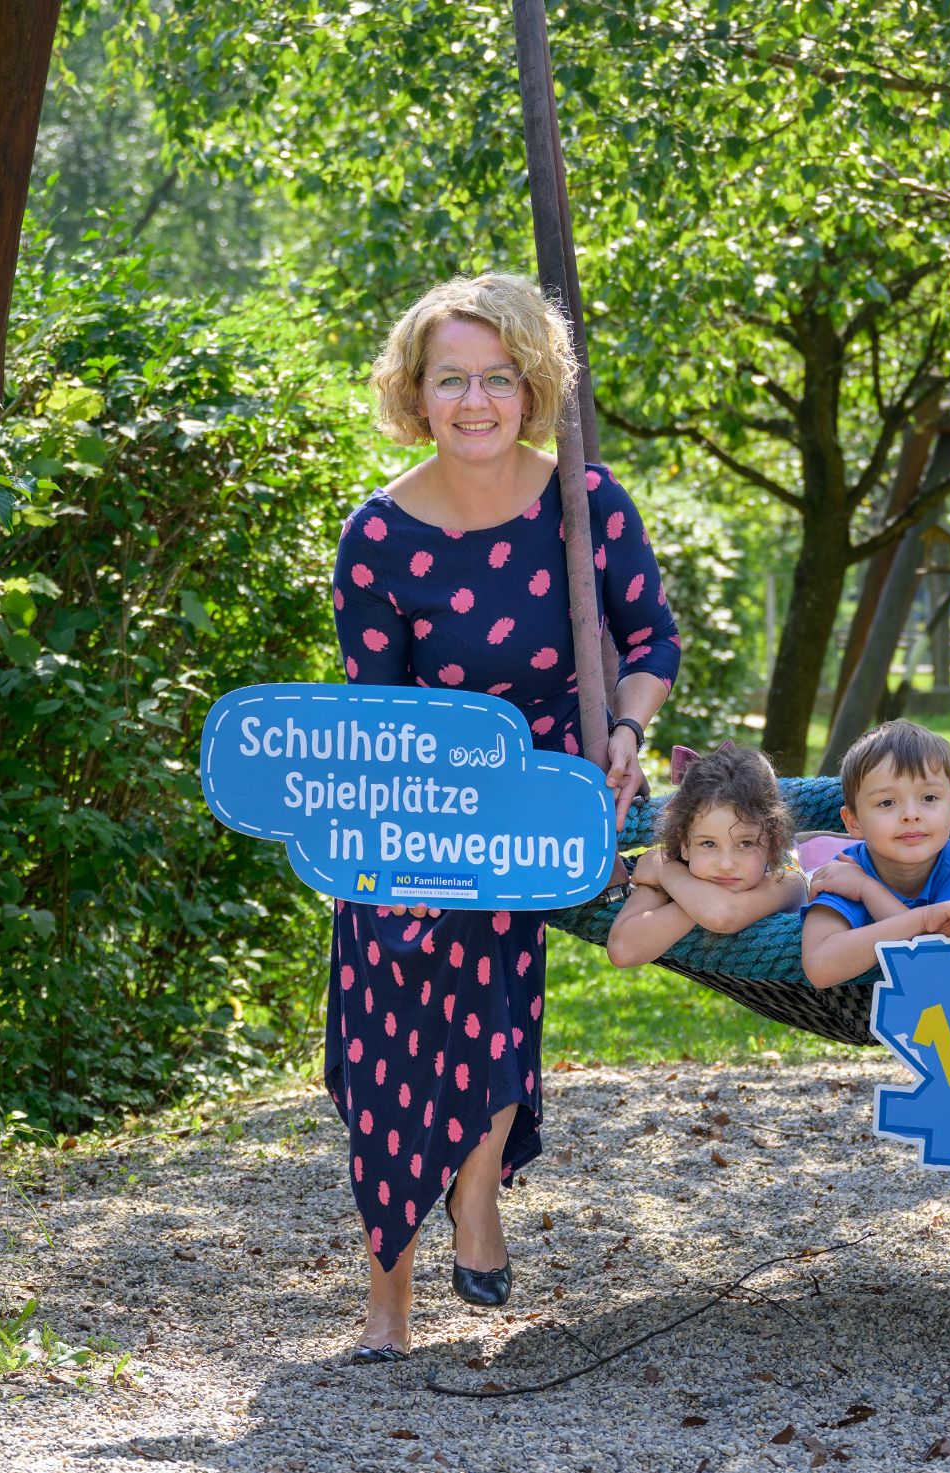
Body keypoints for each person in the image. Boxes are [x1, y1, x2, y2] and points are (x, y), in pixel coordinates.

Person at [330, 272, 681, 1363]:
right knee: (388, 1020)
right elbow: (372, 717)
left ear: (531, 388)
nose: (473, 401)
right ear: (414, 392)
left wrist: (623, 730)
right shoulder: (378, 536)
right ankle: (387, 1291)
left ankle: (473, 1193)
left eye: (495, 378)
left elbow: (648, 643)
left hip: (542, 798)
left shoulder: (586, 501)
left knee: (485, 976)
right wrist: (405, 830)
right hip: (419, 803)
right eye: (450, 380)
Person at [801, 720, 950, 988]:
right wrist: (923, 921)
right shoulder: (844, 872)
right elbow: (820, 967)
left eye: (929, 798)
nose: (911, 814)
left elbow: (945, 960)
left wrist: (868, 891)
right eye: (887, 802)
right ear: (854, 822)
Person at [606, 743, 806, 966]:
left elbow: (722, 915)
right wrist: (690, 894)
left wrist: (664, 870)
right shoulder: (678, 869)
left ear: (773, 843)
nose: (726, 864)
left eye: (746, 843)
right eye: (709, 844)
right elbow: (623, 950)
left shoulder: (788, 881)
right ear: (684, 843)